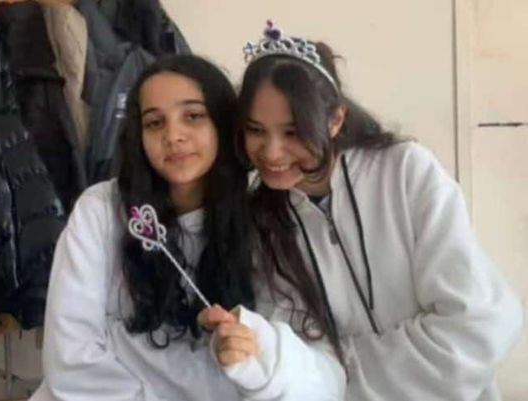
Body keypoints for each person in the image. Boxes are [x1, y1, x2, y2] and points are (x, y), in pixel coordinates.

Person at [30, 54, 345, 401]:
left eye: (193, 116)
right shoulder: (101, 210)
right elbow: (71, 359)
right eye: (155, 123)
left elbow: (323, 378)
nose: (174, 136)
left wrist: (262, 356)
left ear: (222, 123)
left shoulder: (264, 225)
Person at [237, 22, 524, 401]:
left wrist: (339, 371)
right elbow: (296, 364)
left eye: (293, 132)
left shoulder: (405, 172)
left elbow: (478, 325)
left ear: (335, 120)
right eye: (256, 130)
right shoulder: (261, 224)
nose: (271, 152)